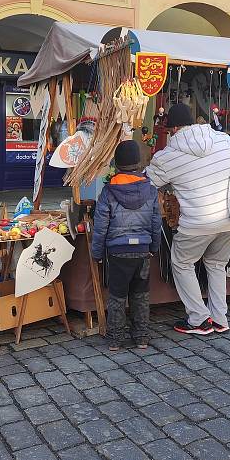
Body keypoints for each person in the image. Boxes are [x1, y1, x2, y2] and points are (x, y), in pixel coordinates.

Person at [146, 103, 230, 335]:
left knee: (182, 262)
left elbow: (149, 182)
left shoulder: (168, 156)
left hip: (197, 221)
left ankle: (199, 319)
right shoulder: (223, 139)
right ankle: (219, 318)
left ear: (173, 130)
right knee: (216, 265)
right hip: (229, 216)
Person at [91, 140, 161, 351]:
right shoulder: (150, 190)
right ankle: (141, 338)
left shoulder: (109, 191)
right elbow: (155, 223)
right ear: (138, 163)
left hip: (117, 252)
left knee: (117, 296)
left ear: (117, 164)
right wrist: (154, 247)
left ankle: (115, 340)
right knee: (140, 295)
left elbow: (101, 227)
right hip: (142, 251)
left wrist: (97, 253)